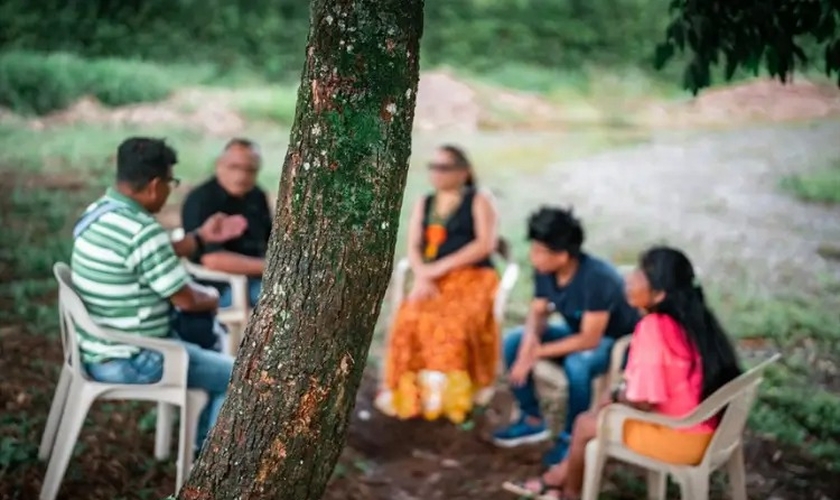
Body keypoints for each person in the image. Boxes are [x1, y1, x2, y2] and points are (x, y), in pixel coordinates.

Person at [502, 246, 742, 499]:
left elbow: (642, 400)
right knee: (601, 410)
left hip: (681, 440)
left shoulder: (653, 328)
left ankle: (568, 492)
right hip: (709, 429)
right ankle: (559, 478)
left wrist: (616, 397)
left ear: (659, 294)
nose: (629, 279)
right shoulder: (694, 319)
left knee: (586, 424)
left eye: (639, 275)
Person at [71, 137, 246, 450]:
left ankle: (200, 443)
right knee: (240, 377)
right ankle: (205, 463)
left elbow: (151, 253)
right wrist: (212, 297)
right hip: (135, 360)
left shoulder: (99, 212)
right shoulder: (142, 231)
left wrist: (201, 238)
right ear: (154, 185)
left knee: (215, 353)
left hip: (97, 348)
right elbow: (187, 300)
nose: (170, 190)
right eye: (170, 182)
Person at [492, 207, 640, 466]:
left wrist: (535, 354)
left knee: (578, 364)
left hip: (615, 343)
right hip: (579, 333)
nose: (533, 256)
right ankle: (532, 419)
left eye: (539, 251)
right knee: (513, 342)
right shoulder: (545, 270)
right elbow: (537, 314)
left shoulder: (597, 278)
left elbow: (589, 340)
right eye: (534, 248)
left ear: (562, 255)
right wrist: (527, 347)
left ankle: (572, 437)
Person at [375, 145, 500, 424]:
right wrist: (422, 275)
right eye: (433, 167)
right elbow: (414, 246)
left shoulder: (479, 200)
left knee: (453, 324)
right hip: (431, 277)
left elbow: (485, 245)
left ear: (463, 172)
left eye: (444, 167)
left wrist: (438, 269)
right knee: (410, 318)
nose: (437, 173)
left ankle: (451, 400)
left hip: (473, 276)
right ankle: (414, 395)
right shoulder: (425, 201)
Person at [181, 138, 271, 307]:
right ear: (219, 165)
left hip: (260, 276)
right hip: (218, 286)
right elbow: (212, 259)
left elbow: (270, 240)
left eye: (250, 170)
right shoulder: (201, 199)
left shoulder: (257, 195)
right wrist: (268, 267)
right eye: (234, 167)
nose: (242, 176)